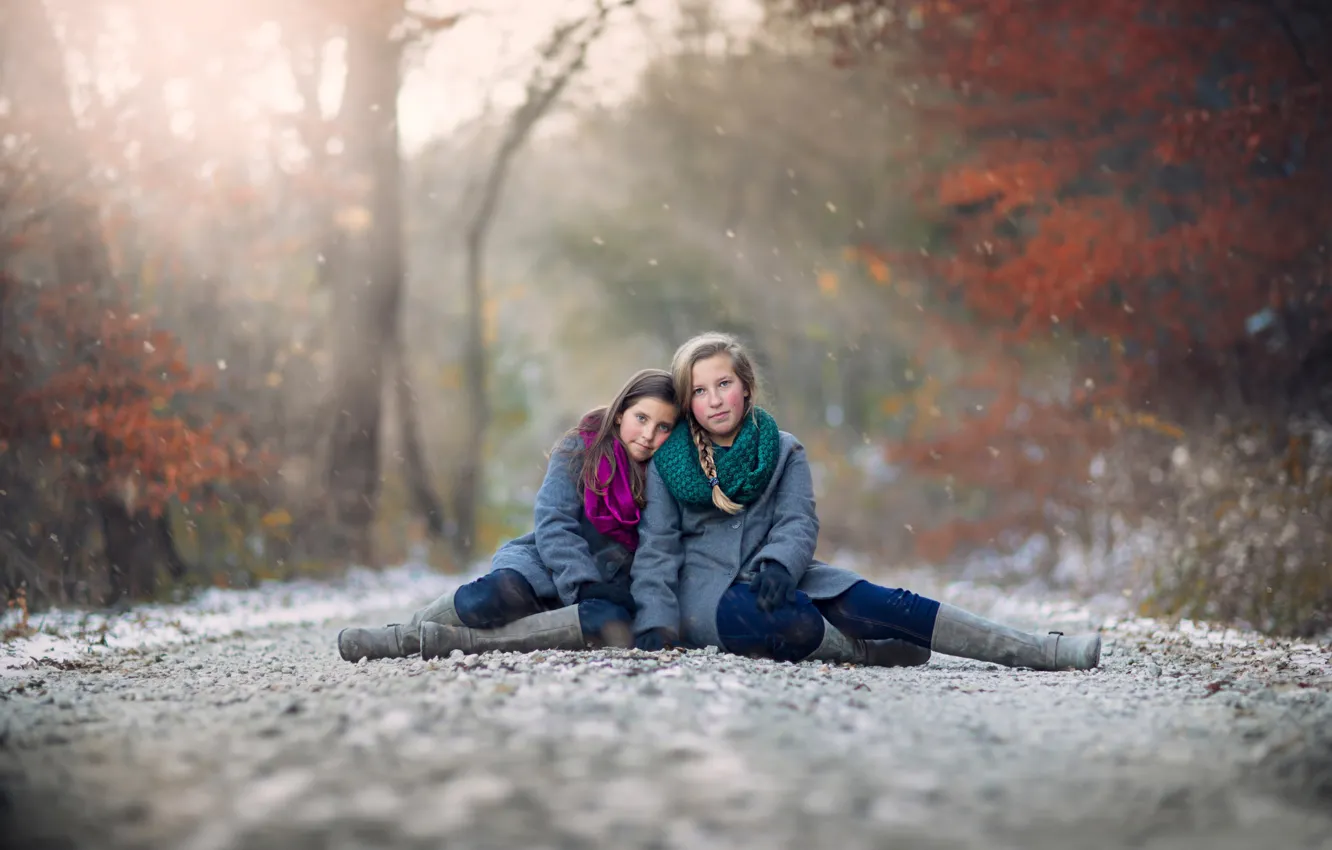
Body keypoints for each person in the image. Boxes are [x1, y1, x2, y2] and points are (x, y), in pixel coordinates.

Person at [628, 331, 1102, 671]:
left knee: (896, 604)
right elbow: (657, 549)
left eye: (724, 384)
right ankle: (870, 653)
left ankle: (1044, 651)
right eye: (700, 391)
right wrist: (655, 623)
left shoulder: (784, 449)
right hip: (710, 597)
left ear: (746, 386)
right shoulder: (673, 460)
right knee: (791, 626)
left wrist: (778, 563)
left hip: (784, 577)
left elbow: (797, 522)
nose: (714, 400)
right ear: (688, 401)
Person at [338, 368, 679, 662]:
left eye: (663, 427)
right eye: (642, 418)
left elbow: (657, 552)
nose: (649, 435)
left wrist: (654, 623)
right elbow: (554, 523)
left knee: (609, 623)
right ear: (621, 412)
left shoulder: (663, 477)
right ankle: (403, 636)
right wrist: (583, 584)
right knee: (493, 595)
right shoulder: (579, 449)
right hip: (546, 567)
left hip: (605, 594)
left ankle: (460, 643)